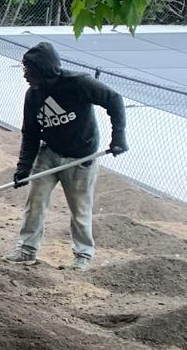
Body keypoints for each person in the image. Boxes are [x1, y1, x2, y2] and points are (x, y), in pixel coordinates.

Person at [9, 41, 128, 271]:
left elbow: (114, 99)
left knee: (80, 209)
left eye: (30, 71)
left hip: (80, 158)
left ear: (44, 71)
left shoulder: (78, 84)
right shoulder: (33, 96)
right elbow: (30, 134)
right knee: (35, 201)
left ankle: (83, 256)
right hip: (49, 153)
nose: (25, 76)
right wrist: (23, 167)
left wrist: (119, 137)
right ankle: (26, 250)